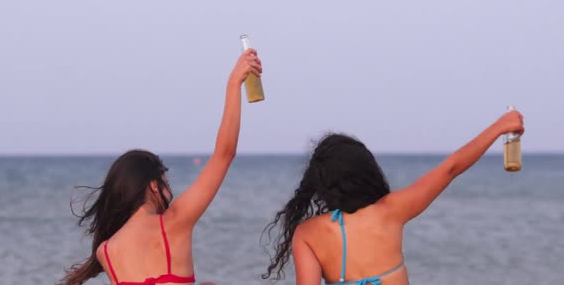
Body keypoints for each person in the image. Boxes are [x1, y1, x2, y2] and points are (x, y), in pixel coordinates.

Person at [60, 49, 262, 285]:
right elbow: (224, 154)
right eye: (166, 182)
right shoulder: (174, 222)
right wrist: (234, 82)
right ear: (154, 186)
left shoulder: (106, 251)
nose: (169, 191)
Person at [263, 111, 524, 285]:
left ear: (321, 183)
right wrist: (500, 127)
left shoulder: (307, 234)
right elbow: (451, 168)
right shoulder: (391, 210)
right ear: (366, 171)